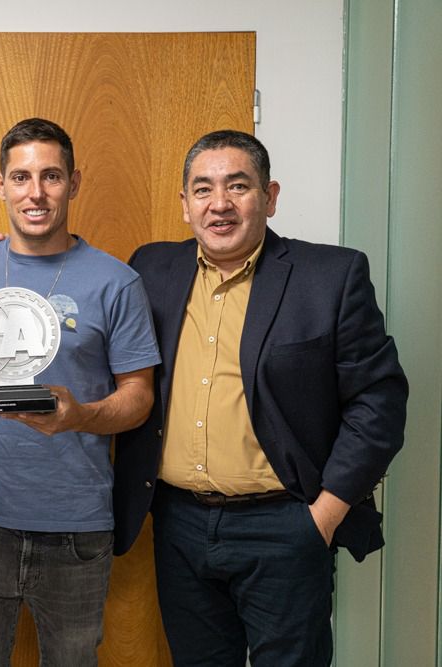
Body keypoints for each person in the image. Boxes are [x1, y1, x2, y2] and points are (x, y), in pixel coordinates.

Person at [114, 129, 408, 666]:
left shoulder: (331, 277)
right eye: (202, 189)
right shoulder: (151, 269)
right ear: (184, 205)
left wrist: (324, 515)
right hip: (179, 525)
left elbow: (379, 404)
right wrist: (1, 254)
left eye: (238, 186)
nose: (219, 204)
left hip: (286, 525)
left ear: (269, 197)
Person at [0, 117, 160, 666]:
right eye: (21, 177)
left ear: (74, 183)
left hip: (78, 532)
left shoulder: (116, 282)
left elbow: (140, 396)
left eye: (51, 177)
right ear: (0, 184)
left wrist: (79, 415)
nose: (35, 193)